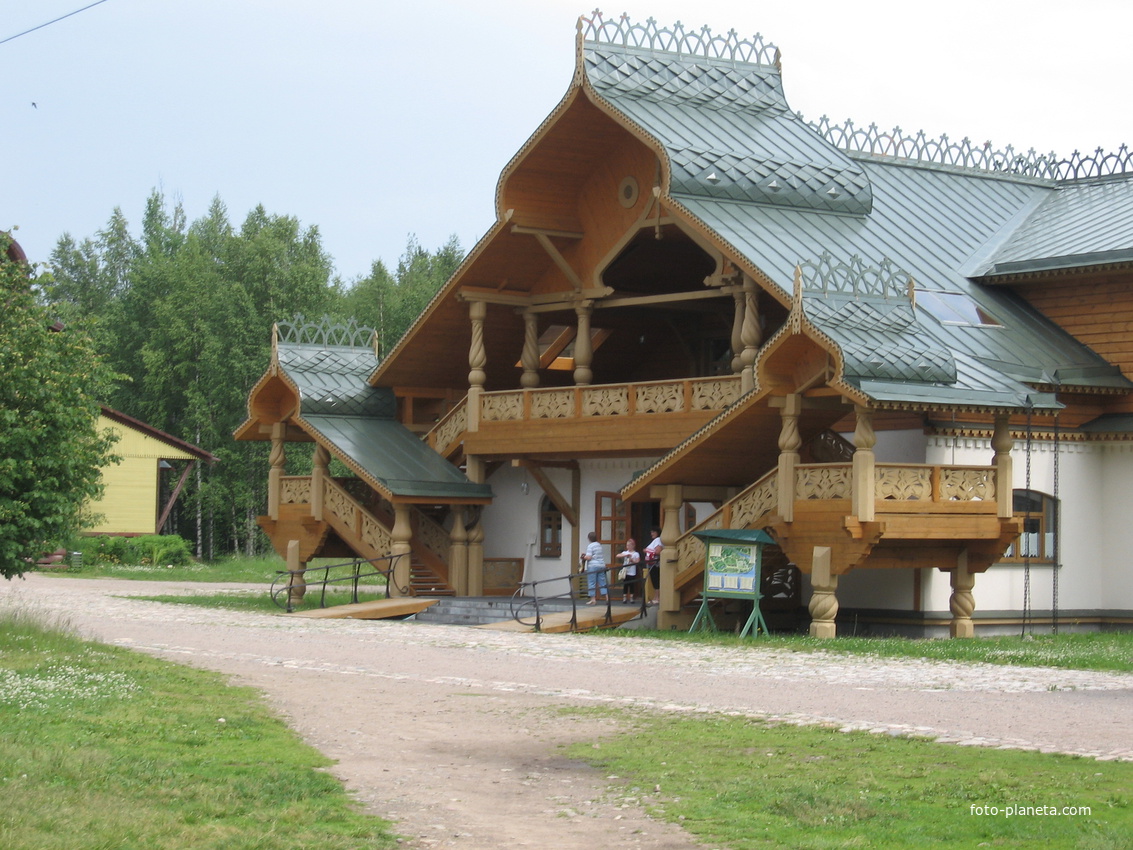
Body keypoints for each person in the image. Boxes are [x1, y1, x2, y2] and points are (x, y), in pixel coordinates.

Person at [580, 531, 608, 605]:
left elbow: (589, 557)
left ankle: (593, 599)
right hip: (601, 565)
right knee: (602, 582)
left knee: (592, 582)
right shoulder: (599, 545)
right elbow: (596, 555)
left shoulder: (590, 546)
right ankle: (607, 598)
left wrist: (583, 556)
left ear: (589, 538)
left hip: (593, 566)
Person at [614, 538, 641, 604]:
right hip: (625, 571)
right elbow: (617, 556)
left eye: (629, 545)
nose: (628, 547)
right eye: (627, 545)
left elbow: (638, 561)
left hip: (632, 572)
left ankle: (631, 597)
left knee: (631, 585)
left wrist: (632, 560)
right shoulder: (625, 552)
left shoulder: (636, 553)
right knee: (625, 584)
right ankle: (624, 597)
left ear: (633, 546)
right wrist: (626, 555)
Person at [644, 526, 663, 605]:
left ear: (657, 532)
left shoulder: (658, 540)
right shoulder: (655, 540)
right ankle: (655, 597)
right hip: (651, 564)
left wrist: (648, 550)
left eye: (653, 532)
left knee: (656, 581)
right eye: (651, 532)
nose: (652, 534)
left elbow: (658, 551)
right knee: (654, 581)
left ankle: (657, 598)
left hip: (655, 564)